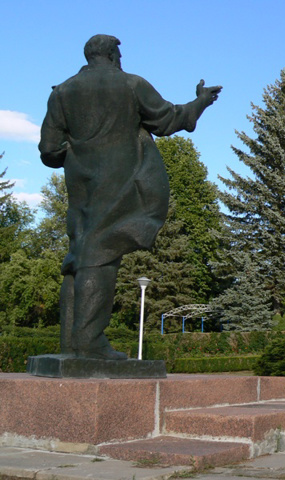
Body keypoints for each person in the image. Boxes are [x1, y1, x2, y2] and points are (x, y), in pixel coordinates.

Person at [39, 34, 222, 360]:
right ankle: (89, 343)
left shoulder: (62, 92)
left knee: (77, 257)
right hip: (121, 183)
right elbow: (167, 120)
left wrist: (81, 153)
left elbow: (50, 151)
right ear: (110, 54)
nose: (121, 58)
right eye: (119, 53)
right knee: (100, 255)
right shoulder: (131, 85)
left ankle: (71, 346)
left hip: (80, 186)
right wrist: (200, 102)